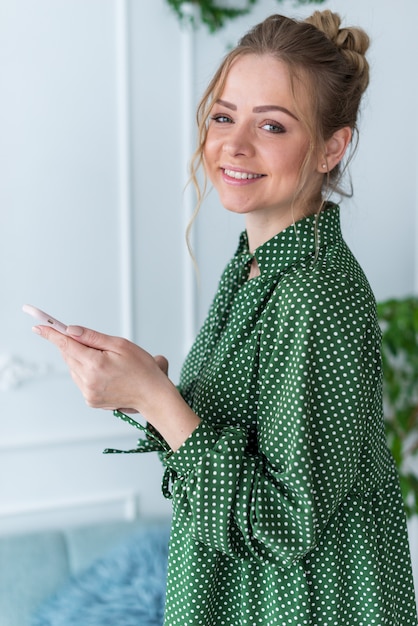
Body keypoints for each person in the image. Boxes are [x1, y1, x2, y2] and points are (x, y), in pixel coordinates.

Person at [34, 10, 417, 626]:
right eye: (223, 116)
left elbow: (285, 524)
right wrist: (146, 393)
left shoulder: (317, 298)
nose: (233, 145)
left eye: (271, 125)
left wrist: (162, 403)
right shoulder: (253, 272)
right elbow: (228, 462)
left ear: (331, 147)